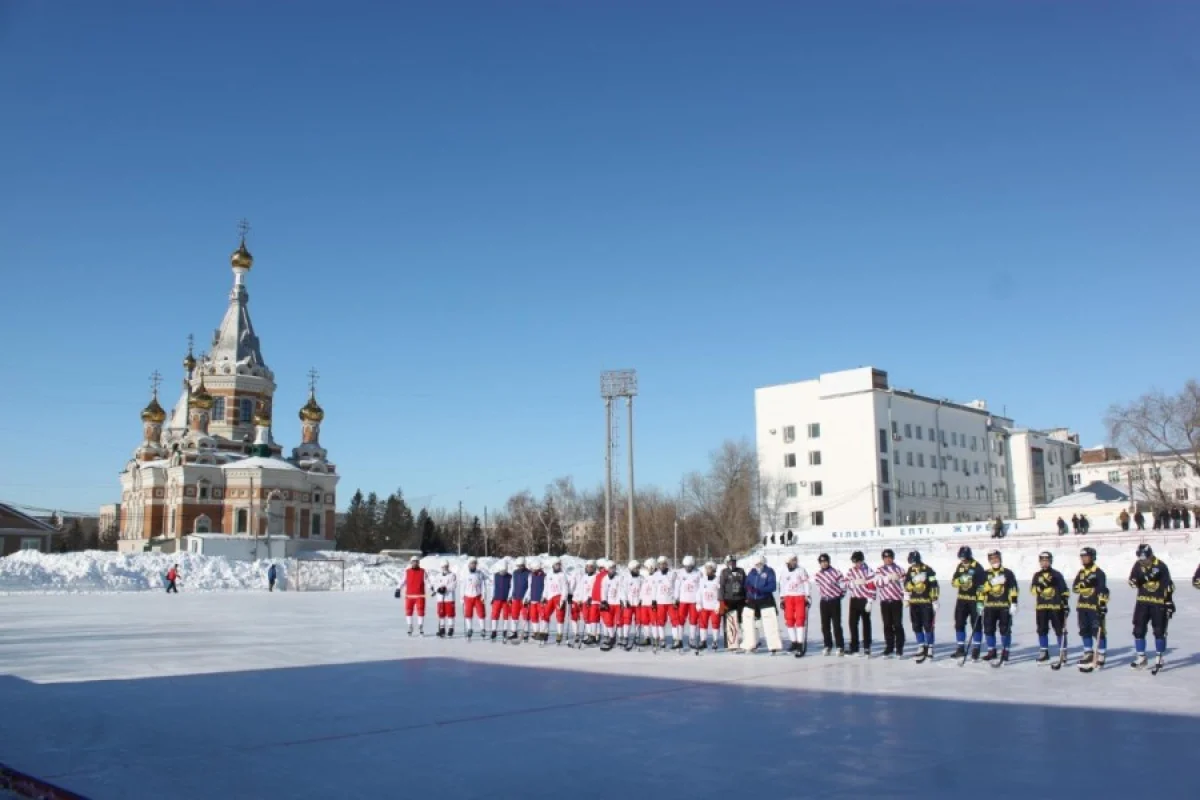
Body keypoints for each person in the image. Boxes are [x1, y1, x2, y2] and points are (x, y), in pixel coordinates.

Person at [1128, 544, 1175, 671]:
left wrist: (1169, 602)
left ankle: (1159, 656)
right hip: (1142, 602)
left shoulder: (1160, 566)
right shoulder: (1138, 565)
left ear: (1150, 555)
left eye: (1145, 559)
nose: (1143, 561)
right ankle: (1141, 658)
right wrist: (1134, 581)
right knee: (1138, 630)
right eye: (1141, 558)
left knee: (1159, 631)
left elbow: (1168, 586)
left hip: (1158, 603)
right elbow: (1133, 581)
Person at [1073, 547, 1109, 672]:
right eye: (1082, 557)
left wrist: (1103, 604)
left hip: (1094, 606)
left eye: (1086, 556)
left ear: (1092, 557)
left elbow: (1103, 590)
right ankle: (1088, 652)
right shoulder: (1081, 572)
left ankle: (1101, 654)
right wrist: (1086, 583)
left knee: (1098, 630)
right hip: (1082, 606)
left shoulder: (1099, 573)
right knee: (1084, 630)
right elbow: (1075, 588)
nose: (1083, 559)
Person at [1030, 551, 1070, 665]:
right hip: (1042, 607)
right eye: (1042, 561)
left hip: (1056, 606)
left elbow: (1064, 590)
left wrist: (1065, 603)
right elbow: (1033, 591)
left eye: (1047, 561)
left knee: (1060, 630)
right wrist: (1042, 585)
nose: (1045, 563)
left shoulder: (1057, 575)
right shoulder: (1037, 575)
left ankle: (1063, 652)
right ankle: (1044, 652)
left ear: (1050, 561)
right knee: (1042, 630)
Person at [980, 550, 1018, 665]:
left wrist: (1014, 603)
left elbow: (1013, 588)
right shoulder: (985, 574)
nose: (994, 560)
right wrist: (992, 583)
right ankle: (992, 651)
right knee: (988, 629)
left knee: (1005, 630)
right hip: (990, 606)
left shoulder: (1008, 573)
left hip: (1004, 606)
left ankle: (1005, 652)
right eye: (992, 559)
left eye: (996, 558)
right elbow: (981, 589)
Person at [741, 554, 783, 654]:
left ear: (763, 563)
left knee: (770, 623)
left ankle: (774, 646)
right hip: (752, 601)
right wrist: (748, 592)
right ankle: (750, 644)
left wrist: (761, 590)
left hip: (765, 600)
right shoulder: (752, 572)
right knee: (750, 624)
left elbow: (772, 586)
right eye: (756, 564)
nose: (758, 565)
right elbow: (747, 584)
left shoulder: (769, 571)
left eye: (760, 563)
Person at [951, 546, 986, 662]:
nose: (963, 560)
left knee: (976, 624)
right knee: (959, 623)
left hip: (974, 600)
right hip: (961, 599)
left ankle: (976, 648)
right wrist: (961, 580)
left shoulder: (977, 567)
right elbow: (953, 582)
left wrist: (981, 602)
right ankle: (960, 647)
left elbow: (982, 587)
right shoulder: (960, 566)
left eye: (965, 558)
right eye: (961, 558)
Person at [904, 551, 939, 663]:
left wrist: (934, 599)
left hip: (926, 602)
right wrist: (914, 582)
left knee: (928, 626)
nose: (913, 565)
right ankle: (921, 645)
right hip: (914, 602)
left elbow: (934, 585)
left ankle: (930, 647)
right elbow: (906, 585)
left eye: (914, 562)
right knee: (916, 625)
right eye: (911, 563)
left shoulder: (928, 570)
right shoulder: (910, 570)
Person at [875, 549, 906, 659]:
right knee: (887, 625)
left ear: (893, 558)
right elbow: (878, 583)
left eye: (889, 557)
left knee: (897, 625)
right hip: (885, 601)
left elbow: (905, 584)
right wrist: (887, 578)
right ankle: (889, 647)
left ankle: (899, 648)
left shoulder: (899, 569)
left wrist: (906, 596)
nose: (888, 559)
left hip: (896, 601)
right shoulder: (879, 570)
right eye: (885, 557)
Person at [814, 553, 846, 656]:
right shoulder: (818, 575)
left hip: (834, 601)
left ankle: (840, 646)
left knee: (836, 625)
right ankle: (827, 645)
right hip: (824, 601)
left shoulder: (836, 572)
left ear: (829, 561)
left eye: (825, 561)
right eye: (822, 562)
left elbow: (843, 586)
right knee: (825, 625)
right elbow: (818, 588)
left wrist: (839, 596)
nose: (823, 564)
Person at [779, 553, 811, 654]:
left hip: (800, 596)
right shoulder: (784, 571)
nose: (794, 562)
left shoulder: (801, 570)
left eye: (795, 560)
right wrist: (782, 598)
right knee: (789, 619)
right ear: (788, 562)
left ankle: (800, 643)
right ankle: (794, 642)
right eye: (792, 560)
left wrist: (807, 596)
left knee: (800, 619)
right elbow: (782, 585)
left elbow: (806, 583)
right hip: (788, 597)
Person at [846, 551, 875, 657]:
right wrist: (852, 583)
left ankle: (867, 646)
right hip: (854, 599)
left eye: (858, 561)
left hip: (865, 599)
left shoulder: (869, 571)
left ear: (862, 561)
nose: (856, 564)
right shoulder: (851, 571)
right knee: (852, 623)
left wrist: (870, 601)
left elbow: (872, 586)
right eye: (854, 562)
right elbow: (845, 583)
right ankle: (854, 647)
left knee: (866, 623)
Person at [675, 555, 703, 650]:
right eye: (686, 566)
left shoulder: (698, 573)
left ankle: (691, 639)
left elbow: (701, 588)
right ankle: (679, 639)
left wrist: (700, 600)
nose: (688, 568)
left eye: (690, 566)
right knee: (680, 620)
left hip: (693, 601)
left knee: (693, 620)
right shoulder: (680, 573)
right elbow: (677, 586)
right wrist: (676, 598)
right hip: (683, 600)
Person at [719, 555, 747, 649]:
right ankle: (729, 641)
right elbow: (721, 587)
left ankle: (744, 640)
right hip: (728, 600)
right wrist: (721, 601)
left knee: (741, 621)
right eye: (730, 562)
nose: (732, 564)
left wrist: (747, 597)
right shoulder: (724, 572)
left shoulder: (741, 571)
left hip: (740, 599)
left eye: (734, 562)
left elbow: (745, 585)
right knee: (729, 622)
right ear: (726, 563)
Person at [651, 556, 677, 649]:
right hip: (660, 602)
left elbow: (675, 587)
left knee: (674, 620)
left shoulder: (672, 574)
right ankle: (662, 639)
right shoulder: (656, 575)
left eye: (664, 564)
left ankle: (676, 639)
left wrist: (676, 599)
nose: (662, 566)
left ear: (667, 564)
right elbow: (654, 589)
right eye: (660, 564)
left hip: (670, 601)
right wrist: (653, 600)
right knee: (660, 621)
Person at [398, 556, 427, 636]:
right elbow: (402, 581)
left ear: (418, 563)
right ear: (411, 563)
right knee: (408, 611)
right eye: (413, 562)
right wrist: (398, 589)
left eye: (416, 562)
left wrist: (432, 588)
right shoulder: (407, 572)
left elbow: (428, 580)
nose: (415, 563)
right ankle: (410, 626)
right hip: (409, 596)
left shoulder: (422, 571)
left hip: (420, 595)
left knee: (420, 611)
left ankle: (420, 627)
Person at [544, 557, 571, 644]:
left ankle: (559, 634)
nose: (558, 566)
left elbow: (565, 588)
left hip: (559, 597)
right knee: (545, 614)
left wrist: (563, 600)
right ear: (553, 565)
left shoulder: (563, 575)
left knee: (560, 616)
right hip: (550, 597)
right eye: (556, 565)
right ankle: (545, 633)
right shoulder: (549, 574)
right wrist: (544, 596)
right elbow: (546, 587)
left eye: (559, 565)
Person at [697, 562, 722, 650]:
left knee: (715, 624)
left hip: (714, 607)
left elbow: (721, 593)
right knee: (703, 624)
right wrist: (698, 603)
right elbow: (699, 592)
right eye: (706, 568)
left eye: (710, 568)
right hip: (704, 606)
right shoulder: (702, 579)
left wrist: (719, 604)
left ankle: (715, 641)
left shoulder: (718, 579)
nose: (708, 570)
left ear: (714, 569)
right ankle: (703, 641)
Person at [461, 556, 487, 640]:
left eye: (474, 564)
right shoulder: (465, 574)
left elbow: (483, 585)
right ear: (469, 565)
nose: (473, 565)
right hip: (468, 596)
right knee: (468, 614)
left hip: (478, 596)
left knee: (481, 613)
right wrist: (461, 598)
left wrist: (484, 595)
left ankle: (482, 629)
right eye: (471, 564)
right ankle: (469, 629)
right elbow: (462, 586)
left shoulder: (480, 573)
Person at [432, 559, 458, 638]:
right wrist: (438, 589)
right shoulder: (438, 576)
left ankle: (451, 628)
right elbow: (435, 584)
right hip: (440, 598)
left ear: (448, 566)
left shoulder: (452, 575)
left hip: (449, 598)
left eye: (446, 567)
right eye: (443, 567)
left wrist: (446, 588)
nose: (445, 568)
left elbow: (454, 585)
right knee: (441, 614)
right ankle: (442, 628)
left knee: (450, 613)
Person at [621, 560, 642, 649]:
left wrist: (642, 600)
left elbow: (644, 591)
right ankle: (625, 637)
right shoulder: (626, 579)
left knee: (638, 620)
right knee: (627, 620)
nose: (637, 570)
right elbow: (623, 591)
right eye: (636, 568)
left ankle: (637, 636)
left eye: (638, 568)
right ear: (631, 569)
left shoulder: (642, 578)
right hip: (629, 603)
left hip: (638, 603)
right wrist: (625, 601)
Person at [488, 559, 511, 641]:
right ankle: (494, 631)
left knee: (506, 615)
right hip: (497, 598)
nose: (503, 572)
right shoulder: (495, 576)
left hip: (506, 599)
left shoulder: (510, 577)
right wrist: (492, 597)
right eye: (502, 570)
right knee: (494, 615)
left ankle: (505, 630)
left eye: (504, 570)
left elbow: (512, 588)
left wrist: (510, 597)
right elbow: (492, 587)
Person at [509, 557, 531, 642]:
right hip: (515, 597)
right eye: (518, 566)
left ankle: (525, 633)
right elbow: (512, 585)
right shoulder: (515, 573)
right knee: (514, 616)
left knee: (525, 616)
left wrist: (527, 597)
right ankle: (514, 632)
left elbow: (530, 587)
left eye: (521, 566)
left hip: (524, 599)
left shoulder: (529, 573)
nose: (519, 567)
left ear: (524, 565)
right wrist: (510, 596)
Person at [525, 559, 547, 643]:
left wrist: (544, 597)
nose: (533, 571)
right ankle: (536, 632)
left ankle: (542, 633)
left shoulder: (544, 576)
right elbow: (530, 588)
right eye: (532, 569)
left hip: (540, 600)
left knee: (542, 616)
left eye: (534, 569)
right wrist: (526, 597)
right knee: (533, 617)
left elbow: (546, 588)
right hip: (533, 599)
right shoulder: (531, 576)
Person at [638, 558, 657, 647]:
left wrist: (655, 600)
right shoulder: (646, 577)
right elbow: (642, 590)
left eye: (647, 567)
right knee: (645, 621)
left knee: (654, 621)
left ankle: (655, 638)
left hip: (651, 603)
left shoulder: (657, 577)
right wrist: (640, 599)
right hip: (644, 603)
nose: (646, 569)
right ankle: (647, 638)